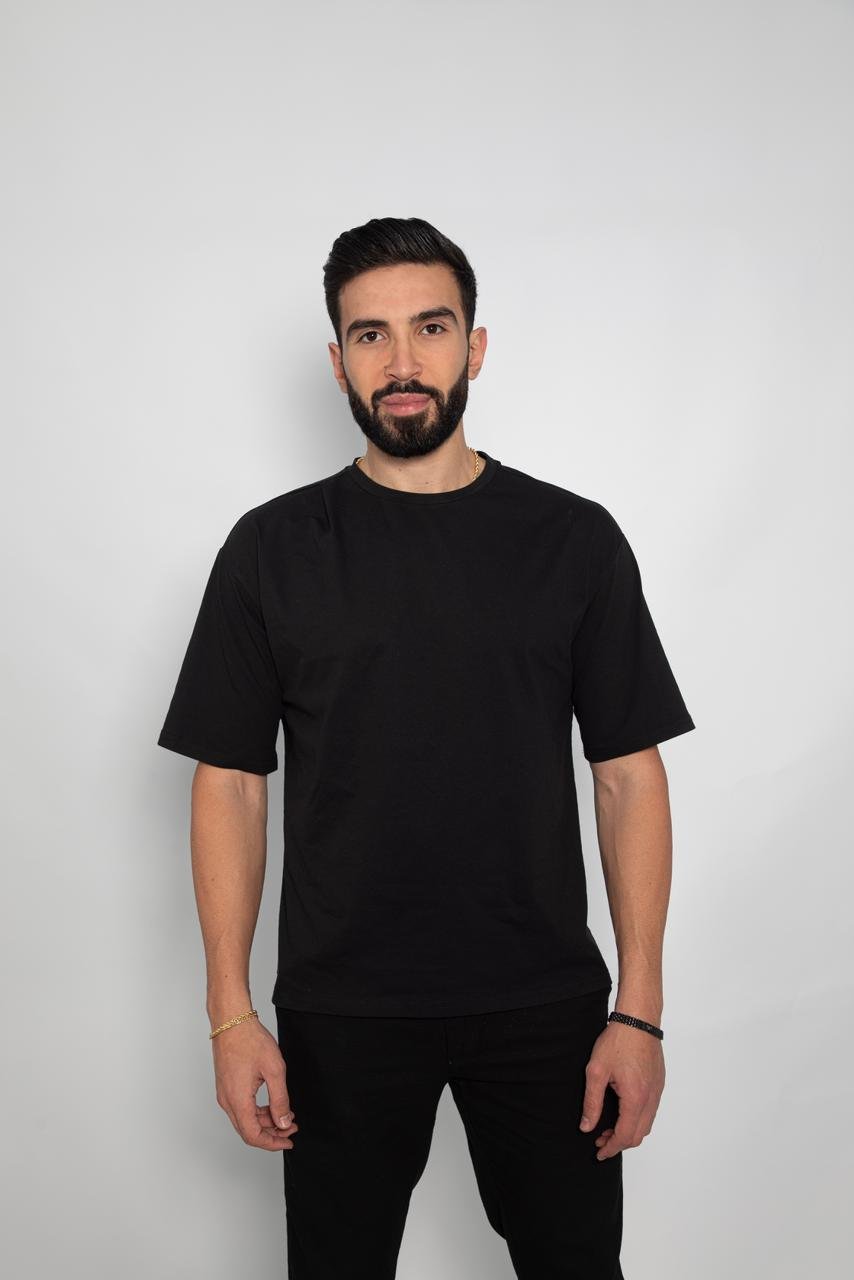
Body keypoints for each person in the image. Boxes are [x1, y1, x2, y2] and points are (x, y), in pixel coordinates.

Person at [156, 215, 696, 1279]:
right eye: (370, 335)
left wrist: (639, 1011)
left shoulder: (572, 539)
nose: (401, 362)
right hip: (339, 1008)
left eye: (430, 328)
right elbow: (231, 784)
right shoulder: (271, 549)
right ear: (338, 360)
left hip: (543, 1001)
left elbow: (628, 776)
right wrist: (230, 1015)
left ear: (474, 347)